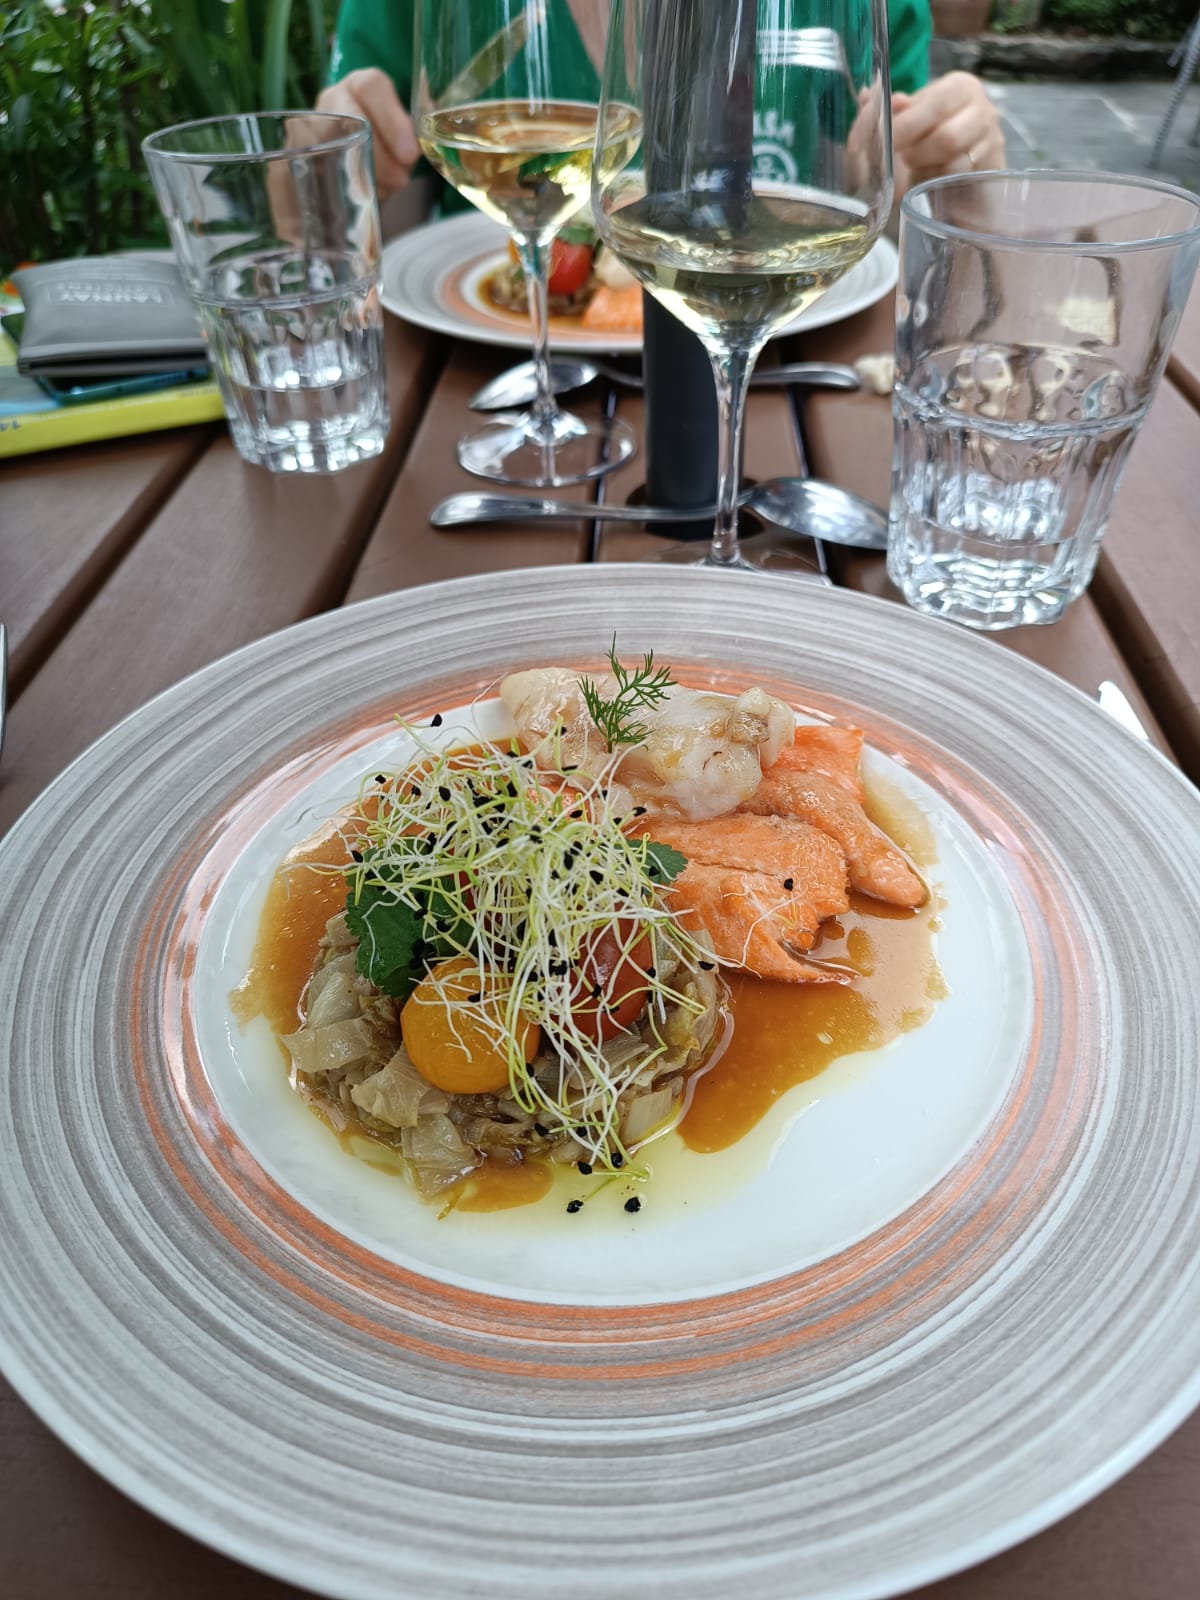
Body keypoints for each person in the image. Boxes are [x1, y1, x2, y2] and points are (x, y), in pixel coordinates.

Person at [316, 0, 1004, 208]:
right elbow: (382, 219)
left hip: (783, 374)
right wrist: (328, 184)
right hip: (476, 382)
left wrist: (950, 176)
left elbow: (881, 195)